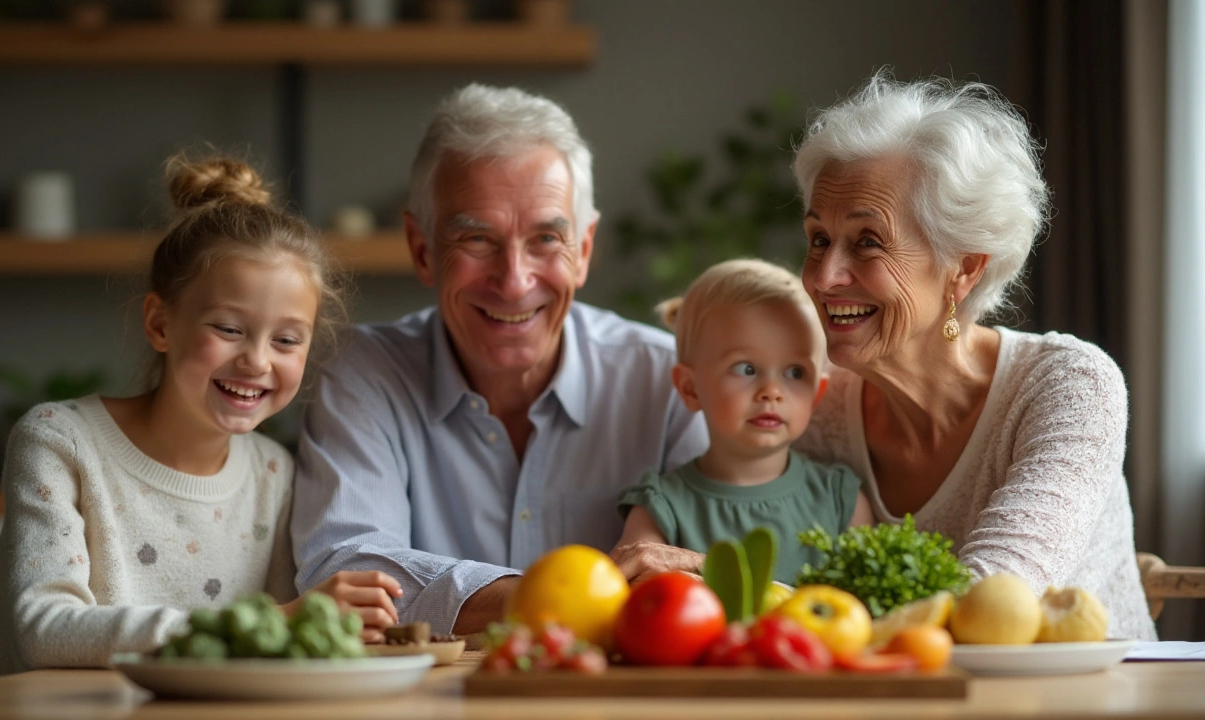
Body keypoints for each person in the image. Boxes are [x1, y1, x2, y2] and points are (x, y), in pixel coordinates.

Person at [0, 155, 401, 682]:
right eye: (229, 329)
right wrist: (278, 619)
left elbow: (269, 657)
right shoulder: (59, 441)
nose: (257, 361)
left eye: (285, 340)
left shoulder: (274, 475)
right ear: (160, 323)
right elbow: (46, 630)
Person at [291, 84, 709, 635]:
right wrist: (572, 596)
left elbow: (717, 576)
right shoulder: (364, 373)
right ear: (421, 249)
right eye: (478, 239)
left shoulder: (672, 381)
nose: (514, 282)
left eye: (545, 239)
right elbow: (345, 570)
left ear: (582, 251)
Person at [789, 71, 1156, 640]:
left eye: (867, 242)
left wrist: (766, 597)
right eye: (819, 239)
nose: (824, 277)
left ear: (964, 268)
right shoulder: (818, 408)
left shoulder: (1067, 385)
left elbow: (988, 603)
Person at [615, 259, 874, 584]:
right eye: (746, 369)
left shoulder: (842, 501)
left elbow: (867, 618)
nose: (772, 392)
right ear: (690, 388)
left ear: (816, 393)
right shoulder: (659, 508)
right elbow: (624, 604)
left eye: (795, 372)